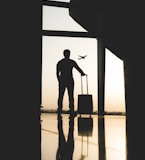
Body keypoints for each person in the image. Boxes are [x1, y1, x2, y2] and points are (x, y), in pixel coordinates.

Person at [56, 49, 85, 114]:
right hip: (69, 80)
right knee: (70, 95)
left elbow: (57, 73)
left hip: (63, 80)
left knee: (61, 95)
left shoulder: (60, 62)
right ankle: (71, 109)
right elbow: (78, 68)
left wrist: (59, 80)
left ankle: (60, 108)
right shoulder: (71, 62)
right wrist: (82, 73)